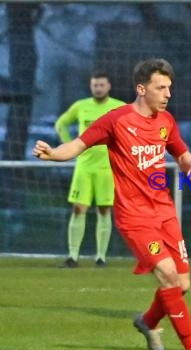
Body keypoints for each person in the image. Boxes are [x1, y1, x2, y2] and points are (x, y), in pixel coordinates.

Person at [33, 58, 191, 350]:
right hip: (135, 219)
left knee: (182, 285)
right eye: (161, 87)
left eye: (169, 87)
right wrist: (53, 154)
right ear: (142, 89)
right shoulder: (115, 120)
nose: (168, 93)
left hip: (165, 214)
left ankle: (147, 322)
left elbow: (182, 155)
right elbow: (76, 146)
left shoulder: (166, 121)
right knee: (169, 276)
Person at [55, 71, 124, 268]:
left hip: (107, 167)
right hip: (84, 167)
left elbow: (134, 127)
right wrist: (69, 146)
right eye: (95, 85)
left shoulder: (118, 107)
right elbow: (61, 124)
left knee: (104, 210)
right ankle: (73, 256)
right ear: (91, 86)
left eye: (101, 85)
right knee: (79, 209)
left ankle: (101, 257)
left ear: (108, 86)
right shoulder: (81, 106)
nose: (98, 88)